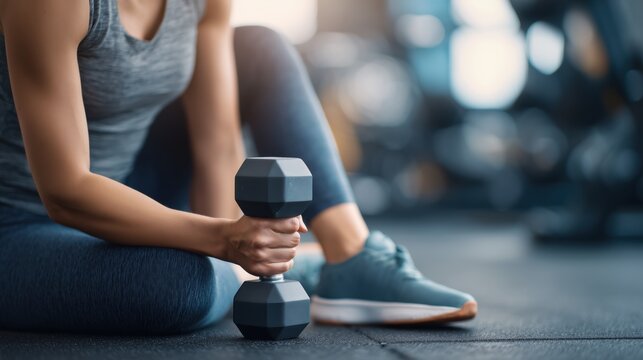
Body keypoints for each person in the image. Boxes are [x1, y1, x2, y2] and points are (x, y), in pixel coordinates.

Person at [0, 0, 476, 334]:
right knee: (178, 286)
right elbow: (64, 190)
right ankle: (292, 267)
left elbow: (218, 142)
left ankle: (349, 255)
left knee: (258, 49)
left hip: (127, 183)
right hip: (21, 226)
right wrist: (223, 242)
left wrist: (239, 252)